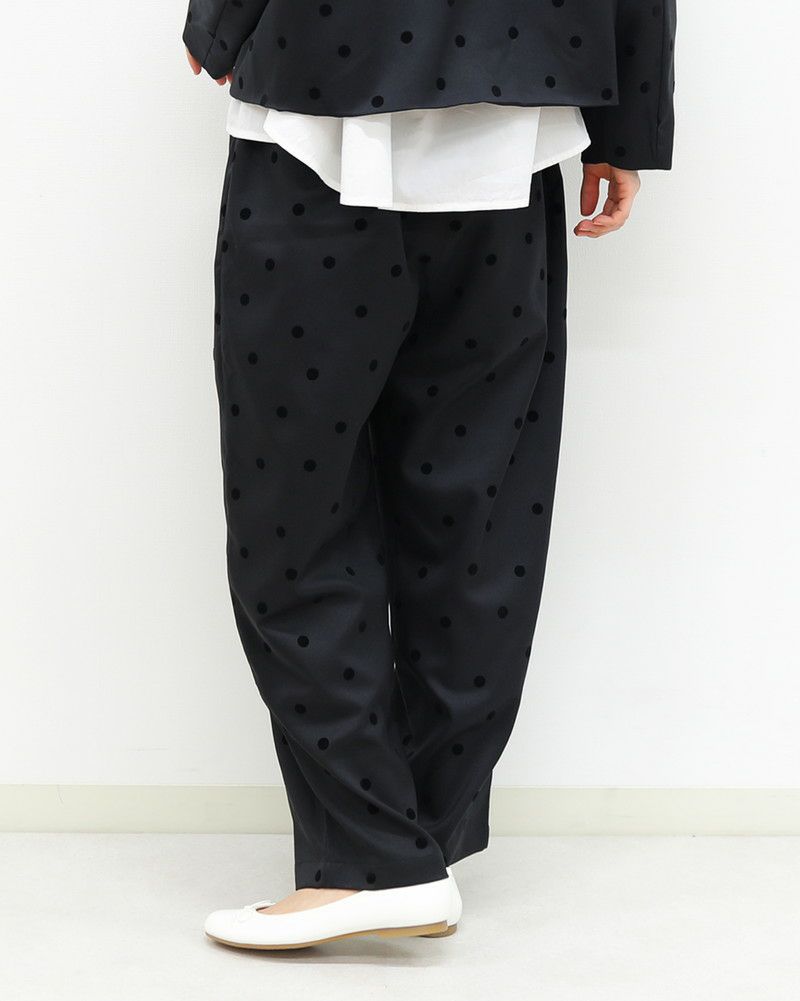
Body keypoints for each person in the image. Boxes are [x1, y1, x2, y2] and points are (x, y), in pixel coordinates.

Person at [182, 0, 676, 951]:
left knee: (292, 514)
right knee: (478, 518)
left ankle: (376, 859)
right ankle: (416, 844)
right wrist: (630, 124)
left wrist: (219, 21)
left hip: (318, 118)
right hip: (515, 125)